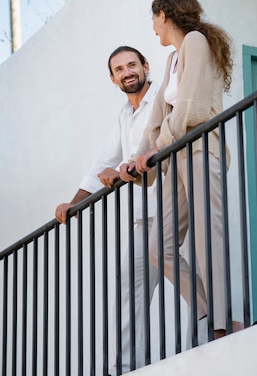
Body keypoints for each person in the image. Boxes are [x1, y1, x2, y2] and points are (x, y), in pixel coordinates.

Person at [120, 0, 241, 341]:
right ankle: (211, 312)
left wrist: (155, 149)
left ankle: (221, 324)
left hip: (201, 151)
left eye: (153, 19)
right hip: (177, 159)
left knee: (208, 238)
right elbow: (156, 122)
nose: (154, 27)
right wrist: (136, 161)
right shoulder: (173, 60)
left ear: (163, 14)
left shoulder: (196, 43)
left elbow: (190, 107)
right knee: (160, 248)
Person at [55, 46, 159, 376]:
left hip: (176, 201)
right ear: (113, 79)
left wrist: (126, 167)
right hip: (144, 217)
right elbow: (102, 160)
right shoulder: (123, 115)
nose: (128, 72)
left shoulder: (161, 98)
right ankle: (126, 367)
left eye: (133, 65)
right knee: (129, 285)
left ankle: (207, 336)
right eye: (119, 69)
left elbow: (166, 137)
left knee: (190, 268)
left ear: (145, 66)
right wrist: (73, 203)